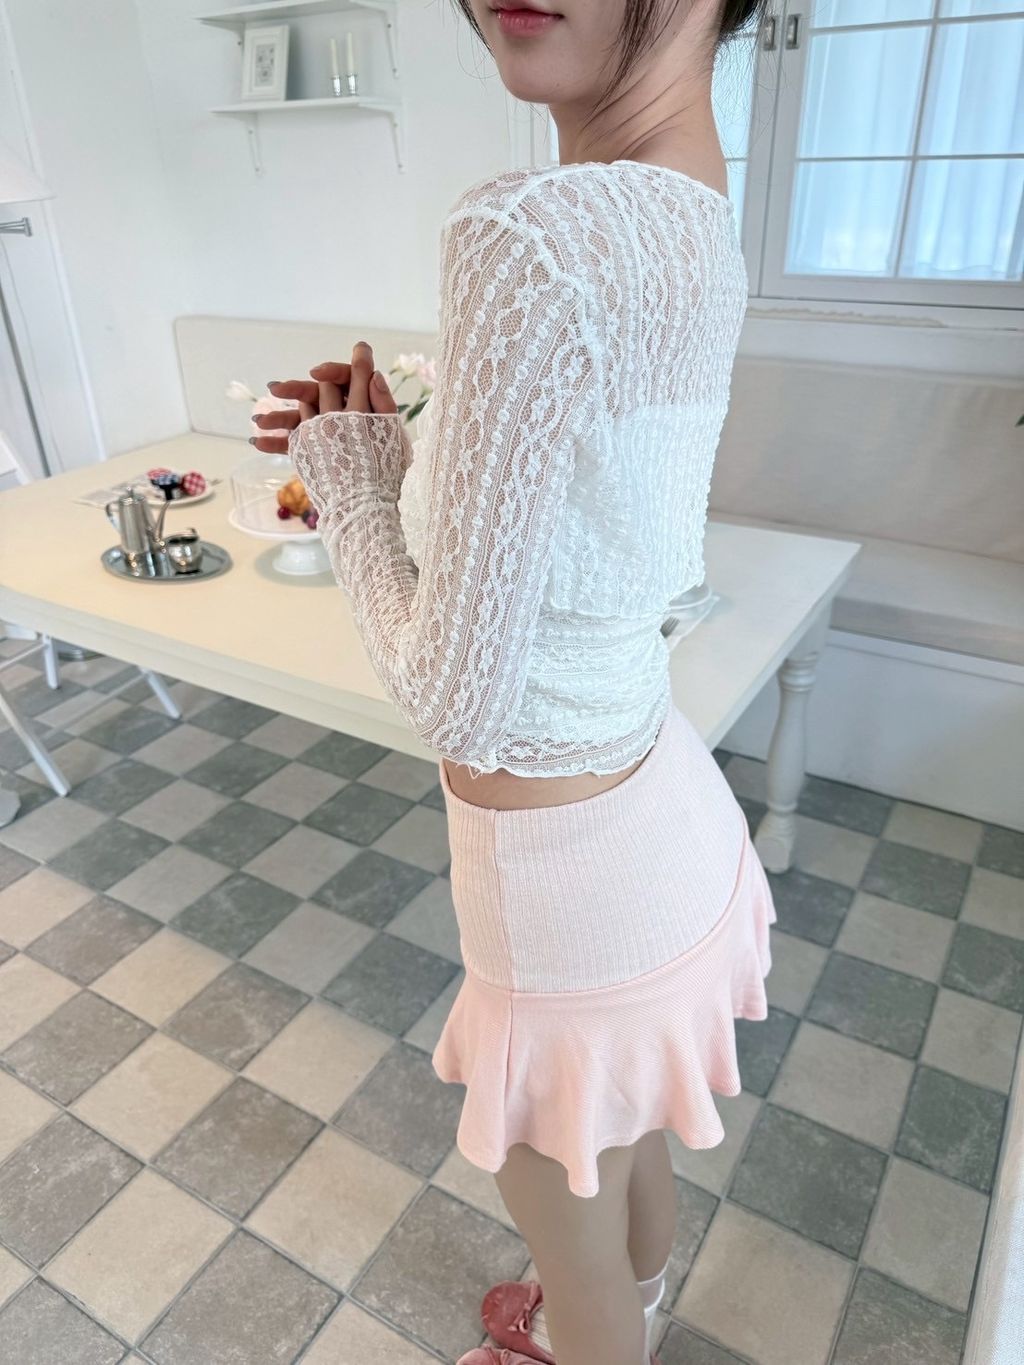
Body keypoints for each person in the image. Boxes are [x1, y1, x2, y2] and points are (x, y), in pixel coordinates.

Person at [252, 2, 774, 1361]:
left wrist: (351, 488)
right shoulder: (696, 201)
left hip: (557, 883)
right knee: (625, 1137)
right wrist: (406, 453)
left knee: (568, 1238)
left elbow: (457, 699)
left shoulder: (531, 233)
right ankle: (628, 1309)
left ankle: (589, 1335)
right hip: (656, 811)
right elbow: (592, 517)